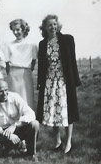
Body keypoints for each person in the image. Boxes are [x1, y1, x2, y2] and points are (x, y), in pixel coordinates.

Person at [36, 14, 81, 154]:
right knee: (52, 112)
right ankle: (57, 141)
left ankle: (68, 142)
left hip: (64, 81)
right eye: (49, 25)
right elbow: (42, 66)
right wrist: (39, 82)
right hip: (49, 81)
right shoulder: (43, 44)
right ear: (44, 27)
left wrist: (75, 80)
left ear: (58, 25)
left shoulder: (67, 39)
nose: (53, 27)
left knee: (67, 112)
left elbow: (72, 61)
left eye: (55, 24)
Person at [0, 79, 39, 159]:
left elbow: (31, 114)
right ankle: (3, 150)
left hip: (17, 128)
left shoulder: (15, 97)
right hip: (2, 133)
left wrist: (15, 124)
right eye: (1, 91)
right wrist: (6, 134)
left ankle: (31, 153)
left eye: (6, 90)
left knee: (35, 124)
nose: (4, 94)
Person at [4, 19, 37, 110]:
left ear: (23, 29)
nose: (15, 32)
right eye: (13, 30)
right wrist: (11, 73)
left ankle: (28, 121)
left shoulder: (32, 44)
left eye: (18, 29)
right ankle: (15, 121)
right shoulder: (9, 45)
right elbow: (7, 63)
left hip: (26, 73)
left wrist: (27, 70)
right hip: (13, 73)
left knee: (27, 97)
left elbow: (33, 61)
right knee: (14, 98)